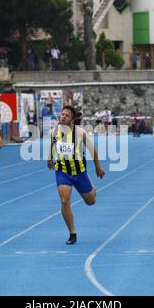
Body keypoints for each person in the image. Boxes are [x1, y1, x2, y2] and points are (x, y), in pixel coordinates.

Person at [47, 105, 105, 245]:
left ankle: (91, 186)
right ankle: (72, 233)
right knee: (65, 201)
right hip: (63, 172)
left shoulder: (80, 133)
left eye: (66, 115)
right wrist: (49, 158)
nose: (63, 117)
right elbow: (52, 145)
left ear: (72, 118)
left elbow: (92, 149)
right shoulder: (54, 131)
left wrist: (97, 166)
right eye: (62, 114)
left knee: (91, 201)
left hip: (79, 173)